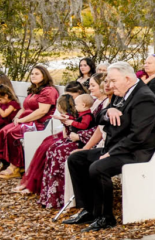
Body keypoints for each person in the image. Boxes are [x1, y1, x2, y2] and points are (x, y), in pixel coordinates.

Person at [64, 62, 155, 232]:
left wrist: (111, 153)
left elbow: (138, 137)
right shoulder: (120, 92)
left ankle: (106, 217)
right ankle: (90, 210)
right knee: (76, 159)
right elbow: (99, 117)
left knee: (98, 168)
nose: (109, 85)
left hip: (136, 152)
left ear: (127, 78)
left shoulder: (145, 98)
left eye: (113, 80)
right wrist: (108, 112)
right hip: (118, 148)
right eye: (108, 80)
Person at [38, 77, 107, 209]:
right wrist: (67, 120)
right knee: (53, 147)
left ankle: (64, 196)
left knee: (60, 151)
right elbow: (81, 120)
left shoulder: (105, 103)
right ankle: (50, 196)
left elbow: (96, 127)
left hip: (92, 142)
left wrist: (79, 136)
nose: (90, 87)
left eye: (93, 85)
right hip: (83, 137)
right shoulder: (96, 102)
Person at [15, 92, 92, 195]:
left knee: (50, 147)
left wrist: (70, 123)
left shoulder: (87, 115)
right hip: (70, 136)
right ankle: (34, 183)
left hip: (78, 139)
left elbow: (81, 126)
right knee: (45, 144)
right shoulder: (79, 113)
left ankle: (39, 186)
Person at [0, 64, 59, 179]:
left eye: (37, 74)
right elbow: (24, 108)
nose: (33, 76)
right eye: (32, 74)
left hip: (40, 123)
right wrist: (16, 118)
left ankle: (15, 167)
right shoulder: (34, 90)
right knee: (3, 131)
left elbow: (42, 111)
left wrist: (22, 120)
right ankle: (12, 163)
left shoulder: (49, 91)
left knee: (12, 133)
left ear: (44, 76)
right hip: (26, 120)